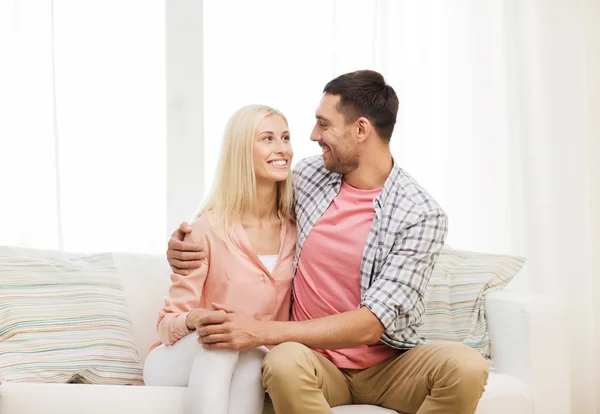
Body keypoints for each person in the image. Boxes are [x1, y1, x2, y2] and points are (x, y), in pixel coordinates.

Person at [167, 70, 489, 414]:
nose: (313, 135)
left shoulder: (421, 214)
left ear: (361, 130)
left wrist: (259, 331)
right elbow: (244, 203)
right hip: (314, 363)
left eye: (324, 124)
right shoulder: (309, 178)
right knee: (283, 362)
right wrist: (183, 240)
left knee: (466, 367)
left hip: (388, 367)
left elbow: (370, 324)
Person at [143, 104, 297, 414]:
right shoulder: (206, 229)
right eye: (267, 138)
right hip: (176, 359)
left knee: (253, 356)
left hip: (252, 351)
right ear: (241, 151)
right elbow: (165, 324)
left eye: (285, 137)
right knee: (223, 342)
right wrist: (196, 319)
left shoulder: (297, 230)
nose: (282, 148)